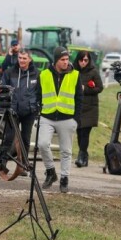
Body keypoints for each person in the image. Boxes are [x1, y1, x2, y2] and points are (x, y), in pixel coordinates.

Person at [37, 47, 81, 193]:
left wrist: (76, 119)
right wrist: (38, 111)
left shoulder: (75, 75)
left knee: (66, 151)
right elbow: (38, 94)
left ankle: (64, 179)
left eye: (67, 59)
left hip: (67, 117)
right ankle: (50, 171)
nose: (65, 62)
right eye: (62, 60)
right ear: (56, 61)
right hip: (47, 115)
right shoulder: (43, 74)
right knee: (42, 144)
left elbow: (80, 98)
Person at [0, 49, 41, 181]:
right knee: (8, 138)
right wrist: (5, 104)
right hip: (13, 111)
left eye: (24, 58)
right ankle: (1, 164)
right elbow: (1, 89)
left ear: (30, 59)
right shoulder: (10, 72)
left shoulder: (36, 74)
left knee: (26, 139)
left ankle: (22, 165)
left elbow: (40, 92)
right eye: (20, 58)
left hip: (29, 111)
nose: (22, 60)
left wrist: (37, 107)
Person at [74, 50, 103, 168]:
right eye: (81, 60)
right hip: (78, 107)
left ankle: (81, 157)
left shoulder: (94, 72)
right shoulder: (73, 72)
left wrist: (85, 89)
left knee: (85, 133)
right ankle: (85, 156)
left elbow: (100, 88)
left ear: (89, 60)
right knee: (79, 133)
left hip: (90, 108)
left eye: (85, 60)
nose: (83, 62)